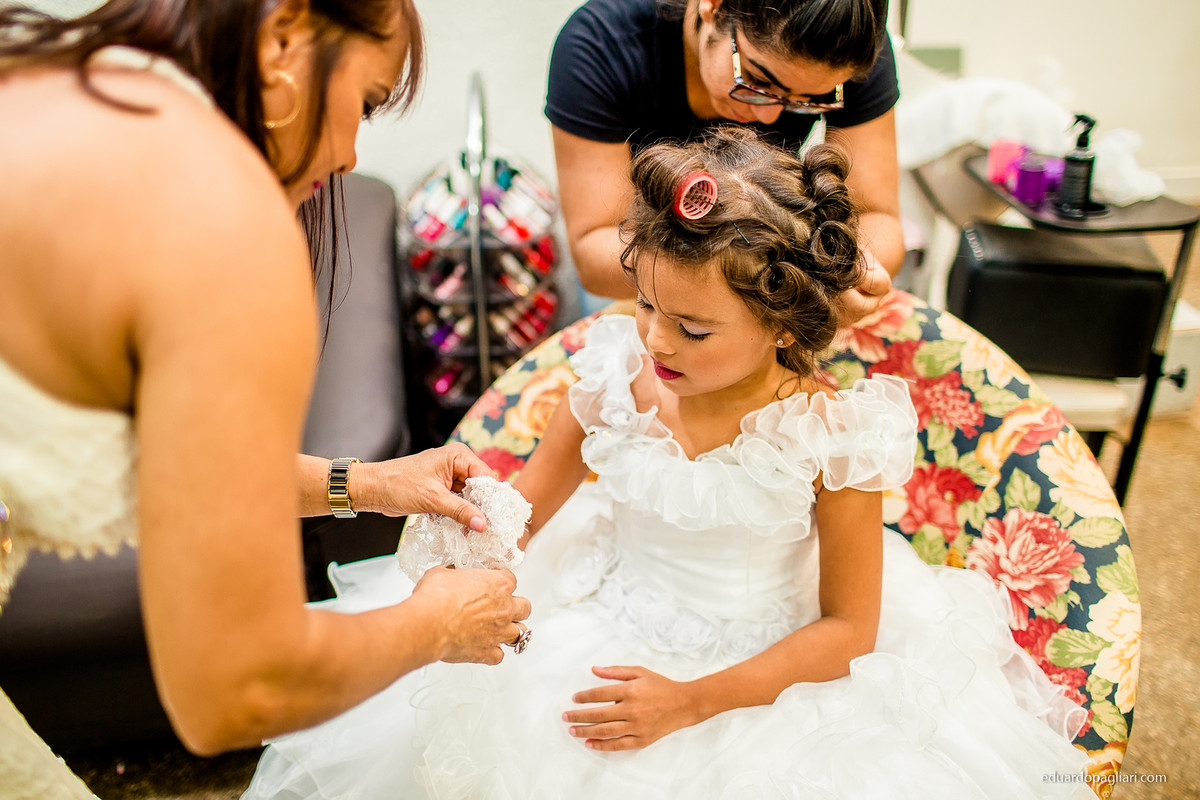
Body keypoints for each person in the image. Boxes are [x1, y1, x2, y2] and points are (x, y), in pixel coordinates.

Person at [243, 127, 1093, 799]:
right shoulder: (617, 376)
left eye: (690, 329)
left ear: (787, 324)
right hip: (598, 616)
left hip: (767, 674)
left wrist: (692, 700)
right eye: (645, 304)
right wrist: (467, 526)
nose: (652, 339)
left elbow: (848, 632)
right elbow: (526, 509)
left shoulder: (835, 439)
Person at [0, 1, 531, 795]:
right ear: (284, 34)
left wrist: (373, 484)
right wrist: (438, 621)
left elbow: (181, 469)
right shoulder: (224, 225)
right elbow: (233, 688)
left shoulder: (58, 80)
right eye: (368, 102)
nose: (352, 154)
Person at [547, 0, 902, 322]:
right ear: (712, 7)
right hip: (640, 258)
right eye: (757, 80)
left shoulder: (847, 46)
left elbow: (878, 217)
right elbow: (595, 253)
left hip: (767, 273)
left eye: (810, 98)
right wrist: (731, 274)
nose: (769, 116)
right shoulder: (599, 45)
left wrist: (850, 274)